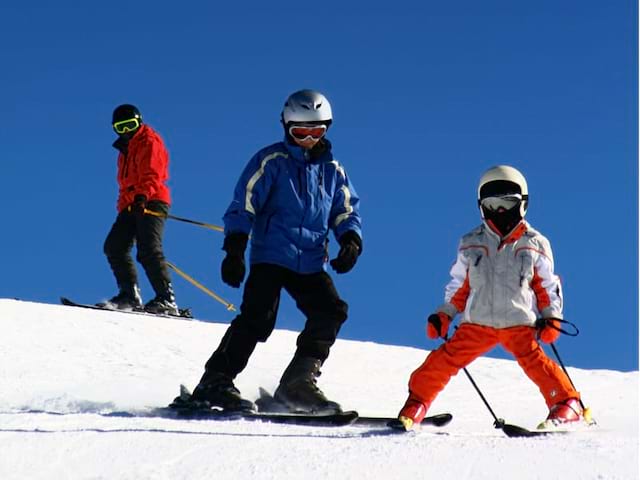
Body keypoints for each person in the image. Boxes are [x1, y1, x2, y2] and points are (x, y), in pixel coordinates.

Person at [190, 89, 362, 413]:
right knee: (258, 318)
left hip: (311, 260)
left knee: (331, 311)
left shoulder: (333, 170)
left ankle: (297, 384)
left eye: (317, 132)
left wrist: (350, 240)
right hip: (272, 254)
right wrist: (235, 249)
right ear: (286, 127)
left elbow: (345, 210)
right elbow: (244, 204)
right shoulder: (271, 161)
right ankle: (215, 380)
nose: (308, 139)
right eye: (300, 132)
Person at [395, 165, 583, 430]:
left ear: (523, 203)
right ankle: (417, 403)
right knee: (442, 361)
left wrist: (551, 317)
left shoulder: (535, 242)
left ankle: (566, 403)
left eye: (507, 203)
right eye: (493, 204)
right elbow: (460, 285)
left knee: (537, 363)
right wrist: (445, 313)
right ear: (482, 206)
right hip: (478, 322)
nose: (500, 211)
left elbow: (547, 284)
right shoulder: (471, 241)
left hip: (518, 321)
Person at [102, 104, 179, 316]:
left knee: (147, 249)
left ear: (139, 122)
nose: (126, 131)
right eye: (121, 127)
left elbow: (154, 174)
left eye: (130, 125)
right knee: (114, 246)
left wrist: (143, 197)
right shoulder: (124, 150)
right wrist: (124, 206)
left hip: (152, 200)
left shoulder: (150, 141)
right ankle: (129, 294)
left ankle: (166, 299)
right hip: (131, 204)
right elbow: (125, 183)